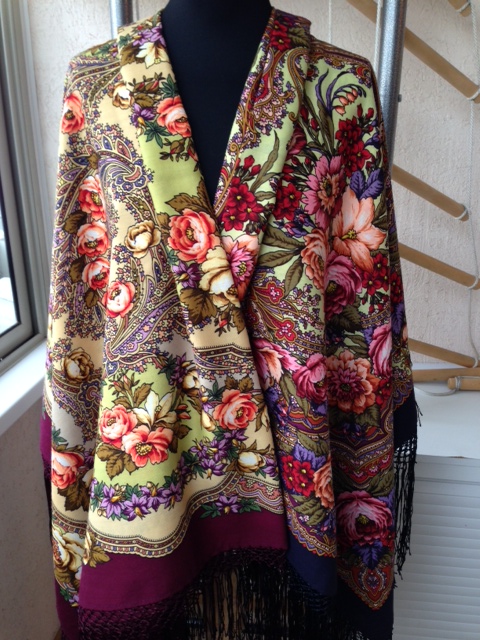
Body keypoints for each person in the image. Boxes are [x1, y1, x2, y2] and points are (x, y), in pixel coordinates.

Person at [41, 1, 418, 638]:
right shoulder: (95, 82)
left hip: (298, 463)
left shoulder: (341, 86)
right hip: (152, 455)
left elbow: (363, 292)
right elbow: (79, 286)